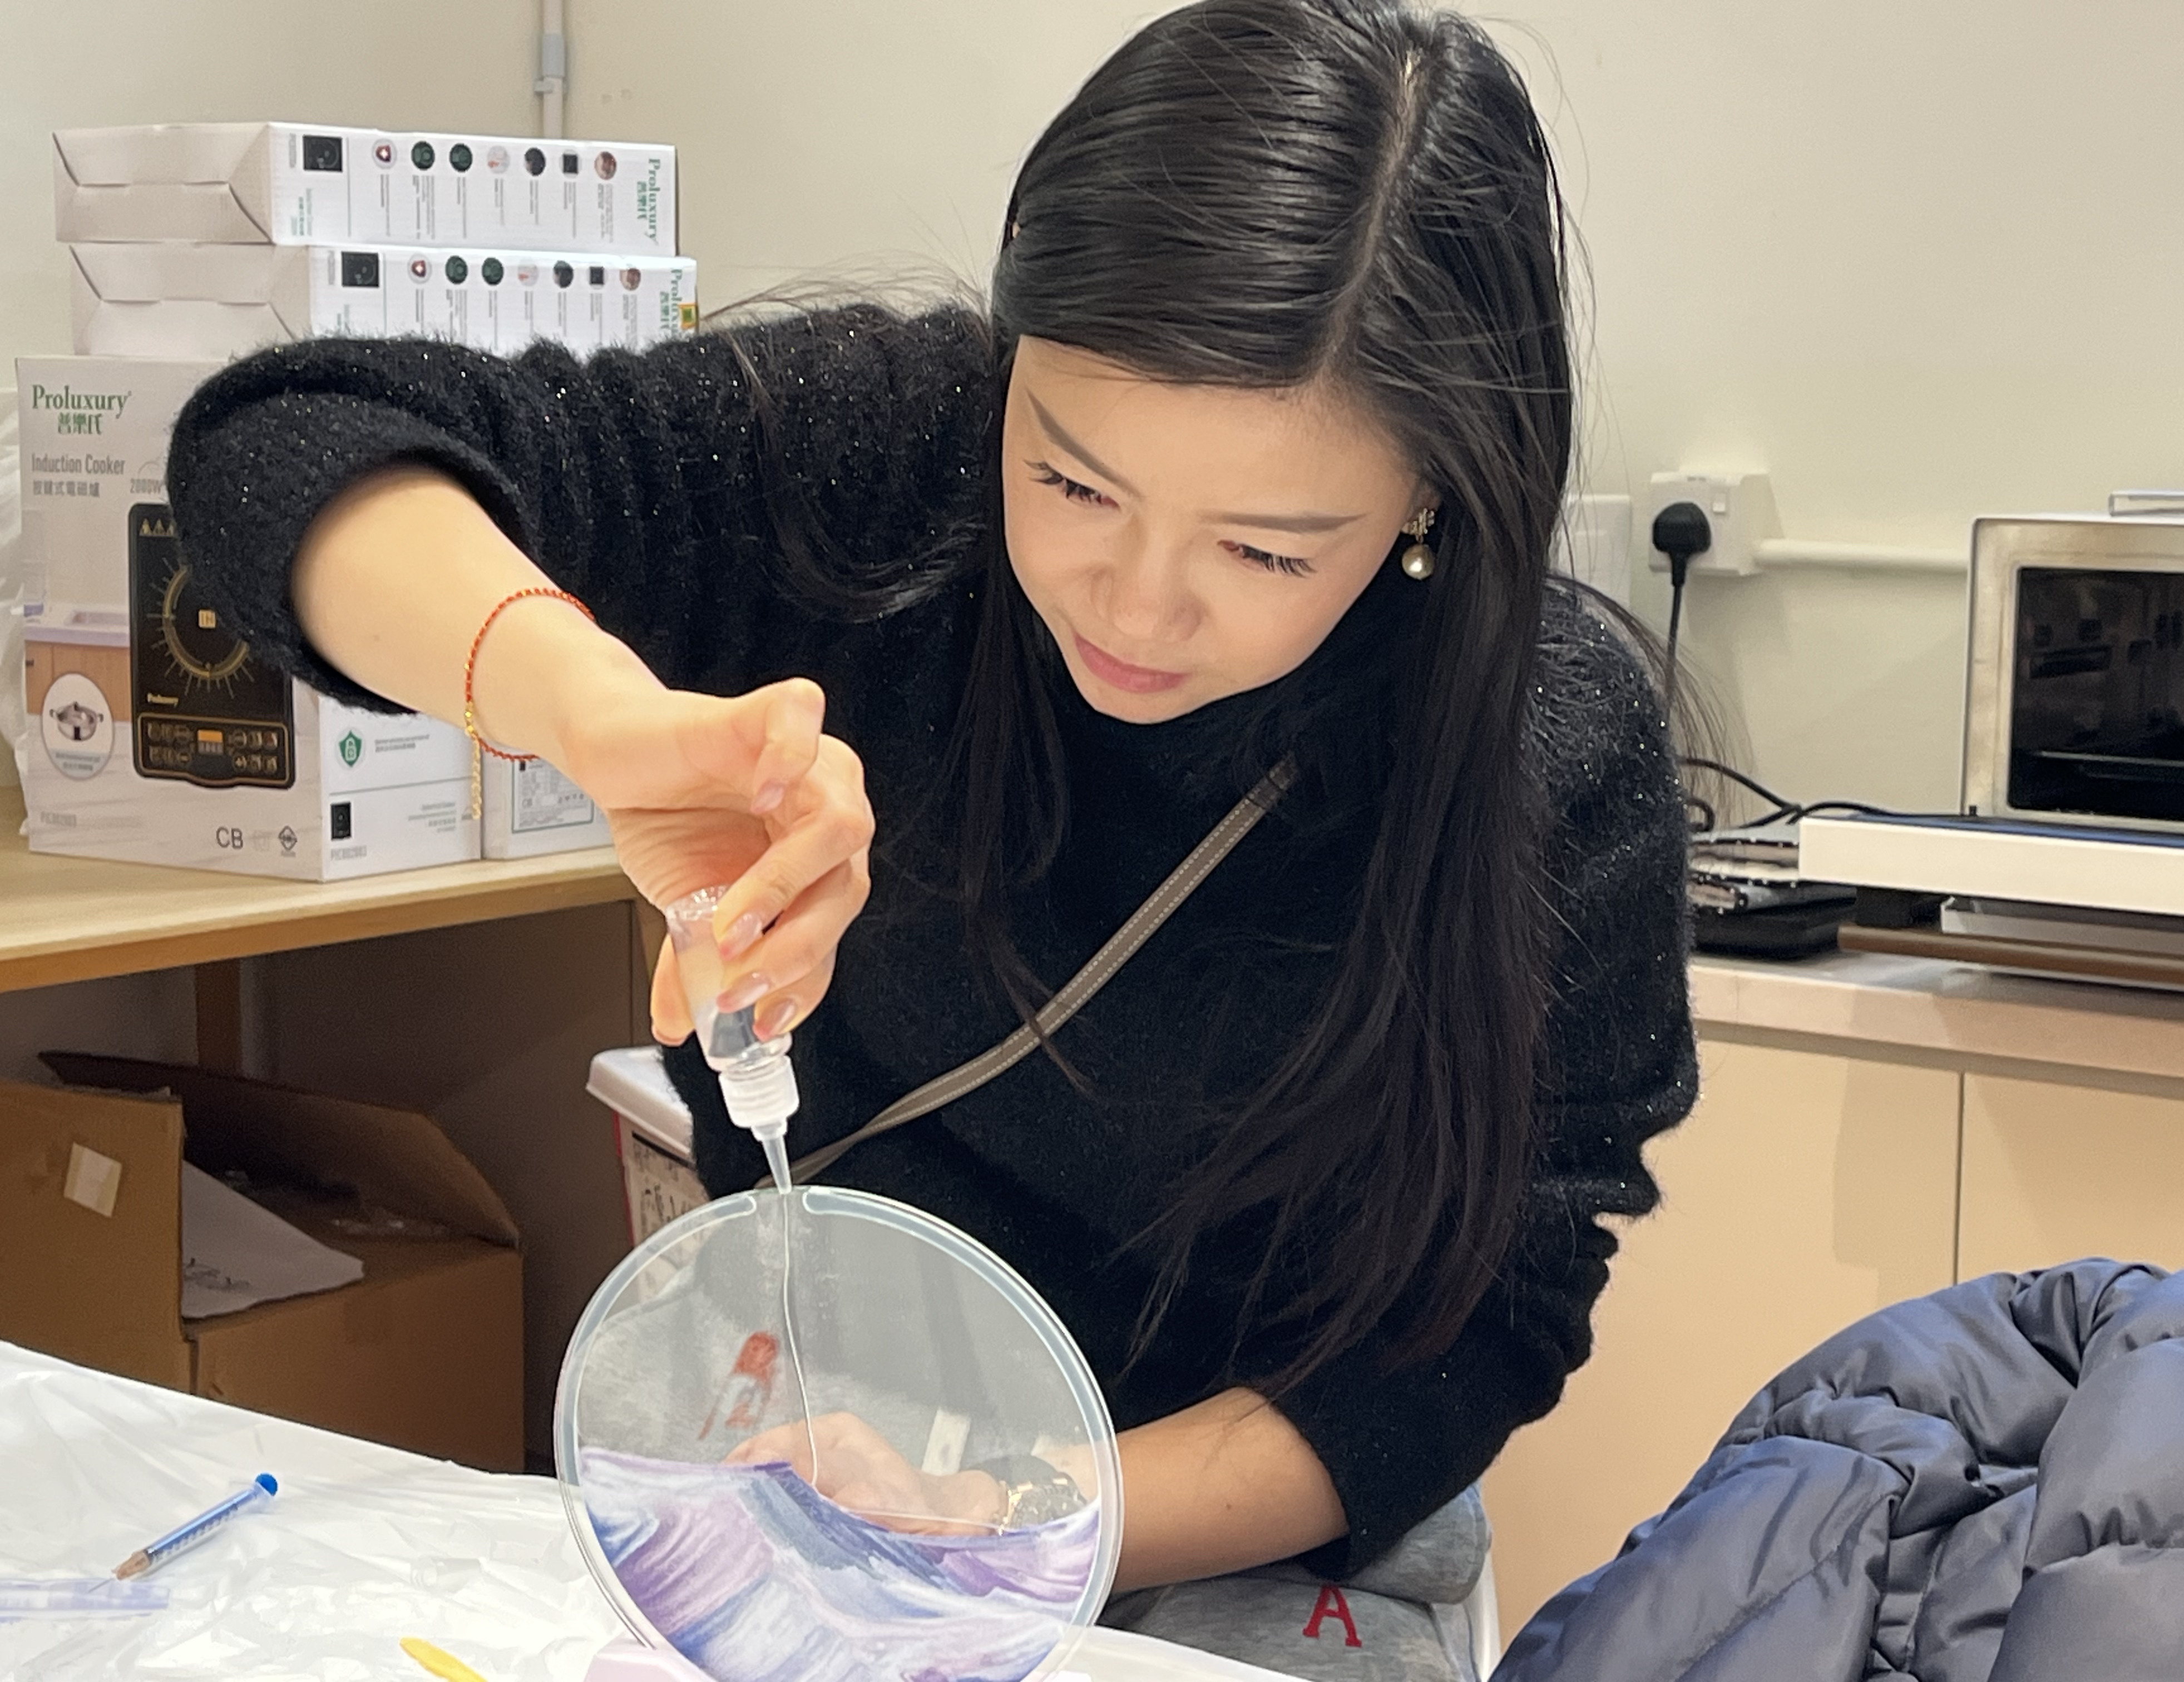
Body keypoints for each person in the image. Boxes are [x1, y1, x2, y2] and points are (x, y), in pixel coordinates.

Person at [168, 1, 1694, 1673]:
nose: (1135, 605)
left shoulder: (1543, 752)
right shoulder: (890, 462)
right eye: (1075, 482)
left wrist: (1026, 1515)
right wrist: (589, 707)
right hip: (804, 1453)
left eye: (1264, 552)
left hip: (1231, 1522)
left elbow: (1474, 1333)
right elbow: (282, 445)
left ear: (1431, 497)